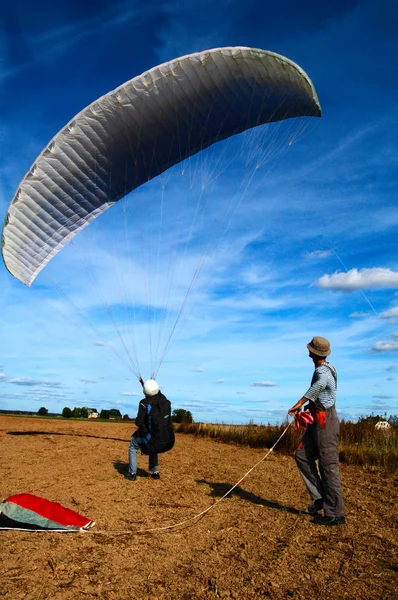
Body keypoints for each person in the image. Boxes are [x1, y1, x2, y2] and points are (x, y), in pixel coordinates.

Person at [288, 336, 345, 526]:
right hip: (316, 419)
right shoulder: (326, 368)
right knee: (302, 455)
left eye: (310, 348)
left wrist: (299, 403)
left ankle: (335, 514)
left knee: (328, 466)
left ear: (314, 353)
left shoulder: (323, 371)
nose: (308, 350)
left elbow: (319, 385)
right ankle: (320, 497)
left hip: (325, 422)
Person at [126, 379, 174, 481]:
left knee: (133, 446)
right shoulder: (164, 400)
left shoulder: (144, 403)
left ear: (145, 392)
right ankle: (155, 472)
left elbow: (138, 423)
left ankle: (132, 473)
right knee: (154, 440)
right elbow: (155, 393)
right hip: (167, 439)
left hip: (153, 440)